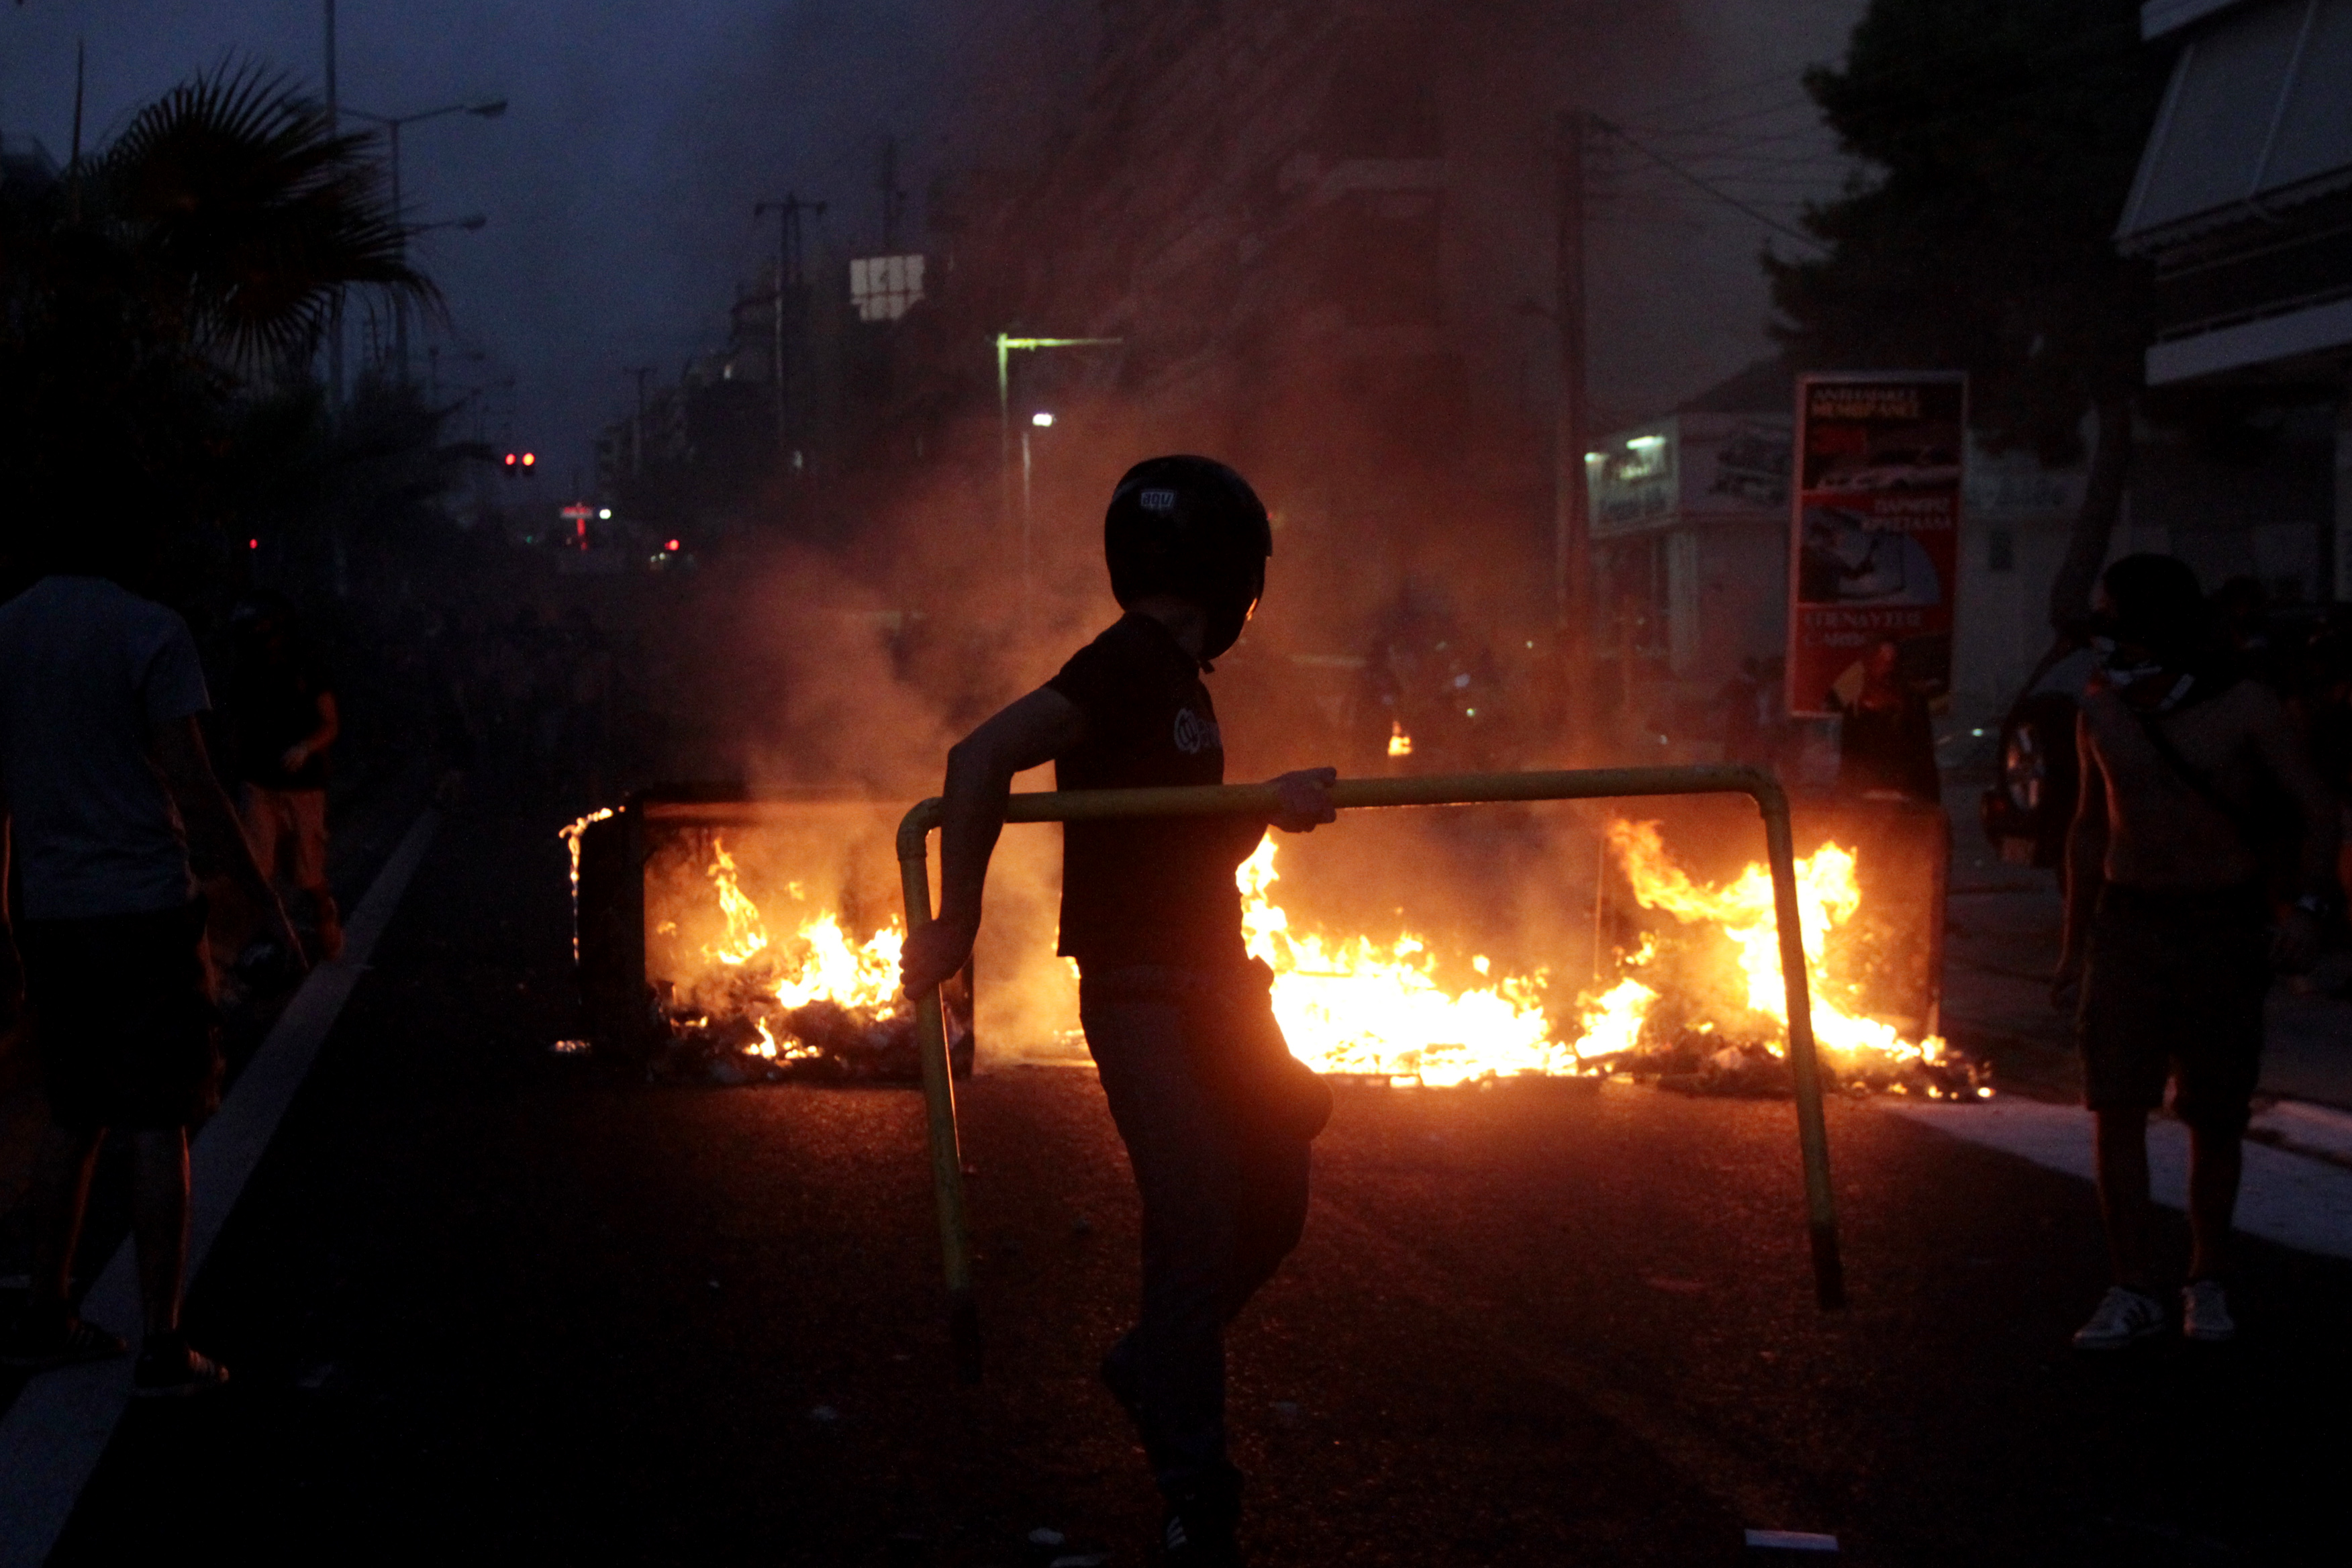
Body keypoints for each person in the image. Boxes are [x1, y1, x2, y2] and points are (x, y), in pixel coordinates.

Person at [899, 456, 1336, 1567]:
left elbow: (1178, 842)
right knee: (1192, 1215)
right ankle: (1197, 1493)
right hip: (1144, 990)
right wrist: (956, 922)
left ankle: (1154, 1360)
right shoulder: (1129, 663)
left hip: (1217, 976)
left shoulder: (1178, 684)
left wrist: (1263, 813)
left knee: (1272, 1195)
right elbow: (979, 753)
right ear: (1237, 571)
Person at [0, 554, 301, 1393]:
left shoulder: (8, 631)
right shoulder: (148, 629)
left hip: (55, 911)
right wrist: (264, 901)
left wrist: (0, 920)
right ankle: (165, 1345)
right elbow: (197, 785)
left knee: (74, 1111)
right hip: (144, 907)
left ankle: (45, 1314)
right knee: (159, 1118)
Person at [2054, 554, 2341, 1350]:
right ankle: (2132, 1285)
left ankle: (2205, 1279)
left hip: (2220, 926)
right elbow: (2086, 831)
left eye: (2114, 613)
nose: (2102, 629)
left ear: (2154, 620)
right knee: (2116, 1107)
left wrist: (2312, 907)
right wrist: (2075, 947)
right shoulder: (2101, 710)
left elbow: (2318, 808)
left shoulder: (2242, 704)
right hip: (2128, 925)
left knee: (2214, 1114)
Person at [227, 592, 342, 961]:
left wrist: (306, 747)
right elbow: (235, 726)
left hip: (303, 787)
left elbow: (330, 723)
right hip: (259, 783)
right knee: (256, 870)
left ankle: (325, 915)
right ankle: (261, 945)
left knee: (307, 875)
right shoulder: (244, 672)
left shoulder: (307, 667)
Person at [1834, 639, 1941, 801]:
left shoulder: (1915, 708)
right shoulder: (1855, 712)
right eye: (1882, 663)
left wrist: (1931, 805)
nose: (1888, 670)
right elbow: (1848, 762)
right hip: (1864, 804)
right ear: (1870, 666)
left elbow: (1925, 760)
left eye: (1892, 663)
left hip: (1908, 802)